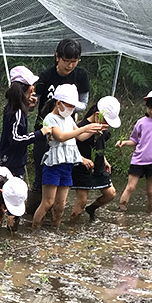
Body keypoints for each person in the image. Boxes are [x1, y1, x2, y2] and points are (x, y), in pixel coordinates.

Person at [28, 39, 91, 214]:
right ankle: (32, 212)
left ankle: (53, 213)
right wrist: (31, 102)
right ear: (57, 57)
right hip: (45, 128)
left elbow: (84, 103)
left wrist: (67, 105)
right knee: (42, 171)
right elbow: (34, 101)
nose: (70, 65)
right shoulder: (46, 76)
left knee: (62, 171)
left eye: (74, 61)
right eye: (66, 60)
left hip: (67, 127)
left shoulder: (81, 76)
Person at [32, 84, 104, 229]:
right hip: (53, 165)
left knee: (61, 205)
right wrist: (84, 128)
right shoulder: (50, 118)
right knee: (48, 202)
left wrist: (93, 129)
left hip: (67, 165)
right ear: (59, 103)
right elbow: (61, 137)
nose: (71, 109)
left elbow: (81, 137)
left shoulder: (69, 119)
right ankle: (35, 229)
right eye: (70, 106)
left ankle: (55, 229)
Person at [70, 97, 121, 221]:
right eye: (106, 121)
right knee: (82, 201)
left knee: (110, 194)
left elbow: (98, 146)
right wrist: (81, 158)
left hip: (98, 166)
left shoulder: (102, 128)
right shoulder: (81, 127)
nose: (107, 125)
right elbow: (70, 146)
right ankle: (72, 229)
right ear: (97, 115)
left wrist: (104, 160)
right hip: (82, 168)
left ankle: (92, 208)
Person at [0, 66, 51, 178]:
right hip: (12, 163)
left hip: (10, 160)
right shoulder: (16, 111)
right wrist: (40, 133)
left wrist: (27, 104)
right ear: (31, 89)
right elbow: (15, 138)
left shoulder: (13, 106)